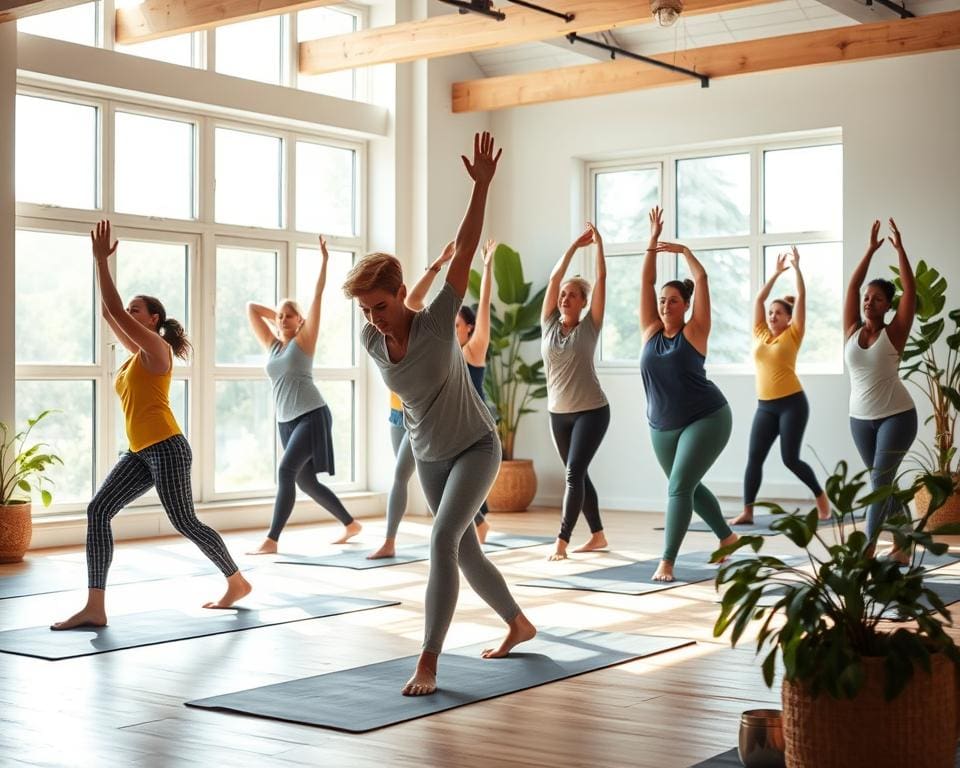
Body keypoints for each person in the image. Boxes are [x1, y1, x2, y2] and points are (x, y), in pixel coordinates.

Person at [342, 132, 536, 696]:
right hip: (429, 454)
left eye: (381, 306)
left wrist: (481, 188)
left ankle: (428, 660)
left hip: (476, 445)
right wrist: (376, 318)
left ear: (401, 294)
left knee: (441, 542)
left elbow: (467, 246)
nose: (375, 318)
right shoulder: (370, 340)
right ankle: (518, 623)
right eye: (365, 309)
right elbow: (387, 333)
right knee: (465, 550)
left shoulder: (435, 321)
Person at [52, 220, 251, 630]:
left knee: (184, 521)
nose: (128, 314)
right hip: (141, 451)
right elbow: (109, 311)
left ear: (153, 319)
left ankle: (236, 581)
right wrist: (99, 269)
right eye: (129, 310)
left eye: (136, 310)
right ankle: (95, 605)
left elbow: (110, 308)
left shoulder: (157, 349)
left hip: (167, 446)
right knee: (98, 510)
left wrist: (102, 263)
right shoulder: (134, 355)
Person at [367, 239, 497, 559]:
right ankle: (471, 525)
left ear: (467, 329)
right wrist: (437, 264)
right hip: (413, 417)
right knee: (430, 495)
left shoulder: (473, 348)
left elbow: (482, 310)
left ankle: (394, 538)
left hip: (462, 428)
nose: (450, 328)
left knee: (419, 487)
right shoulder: (426, 338)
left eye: (456, 325)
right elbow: (410, 302)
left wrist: (488, 266)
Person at [639, 207, 738, 582]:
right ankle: (727, 538)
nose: (665, 305)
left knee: (679, 487)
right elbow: (645, 283)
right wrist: (651, 244)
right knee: (687, 487)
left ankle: (667, 560)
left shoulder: (695, 331)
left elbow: (702, 277)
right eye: (663, 301)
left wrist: (684, 251)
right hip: (660, 425)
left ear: (686, 306)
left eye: (674, 301)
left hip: (707, 418)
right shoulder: (650, 330)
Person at [245, 236, 361, 555]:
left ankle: (272, 540)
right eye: (280, 317)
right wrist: (281, 310)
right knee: (305, 482)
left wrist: (323, 263)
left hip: (311, 415)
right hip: (286, 421)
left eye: (289, 316)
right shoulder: (273, 345)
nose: (282, 320)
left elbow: (318, 296)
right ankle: (351, 524)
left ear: (300, 321)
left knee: (285, 471)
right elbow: (251, 309)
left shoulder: (304, 341)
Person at [731, 246, 830, 526]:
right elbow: (759, 300)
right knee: (754, 458)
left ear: (789, 319)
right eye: (771, 312)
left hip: (792, 404)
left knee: (790, 459)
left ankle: (821, 498)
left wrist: (797, 269)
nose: (772, 316)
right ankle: (747, 511)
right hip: (765, 407)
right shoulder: (760, 333)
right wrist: (775, 274)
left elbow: (802, 298)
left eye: (778, 313)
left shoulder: (794, 335)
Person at [843, 219, 917, 556]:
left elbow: (910, 291)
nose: (868, 301)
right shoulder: (851, 329)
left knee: (878, 483)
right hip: (859, 419)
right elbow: (852, 287)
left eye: (877, 298)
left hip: (897, 416)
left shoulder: (896, 331)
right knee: (883, 483)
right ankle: (904, 543)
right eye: (867, 298)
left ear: (888, 305)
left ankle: (867, 552)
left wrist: (900, 250)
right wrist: (870, 251)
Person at [540, 223, 610, 561]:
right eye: (563, 294)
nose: (565, 297)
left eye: (573, 295)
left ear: (583, 302)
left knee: (572, 473)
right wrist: (572, 248)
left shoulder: (590, 326)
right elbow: (554, 281)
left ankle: (562, 541)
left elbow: (602, 283)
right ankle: (597, 535)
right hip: (558, 414)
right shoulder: (549, 324)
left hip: (592, 411)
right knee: (578, 473)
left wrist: (598, 247)